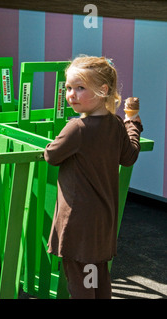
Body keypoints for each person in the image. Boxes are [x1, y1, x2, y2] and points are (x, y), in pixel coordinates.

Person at [44, 55, 143, 299]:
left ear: (103, 90)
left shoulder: (76, 128)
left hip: (79, 223)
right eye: (68, 88)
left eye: (80, 88)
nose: (71, 94)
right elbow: (129, 156)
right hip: (102, 221)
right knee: (97, 279)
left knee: (80, 283)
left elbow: (51, 155)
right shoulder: (117, 124)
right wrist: (134, 125)